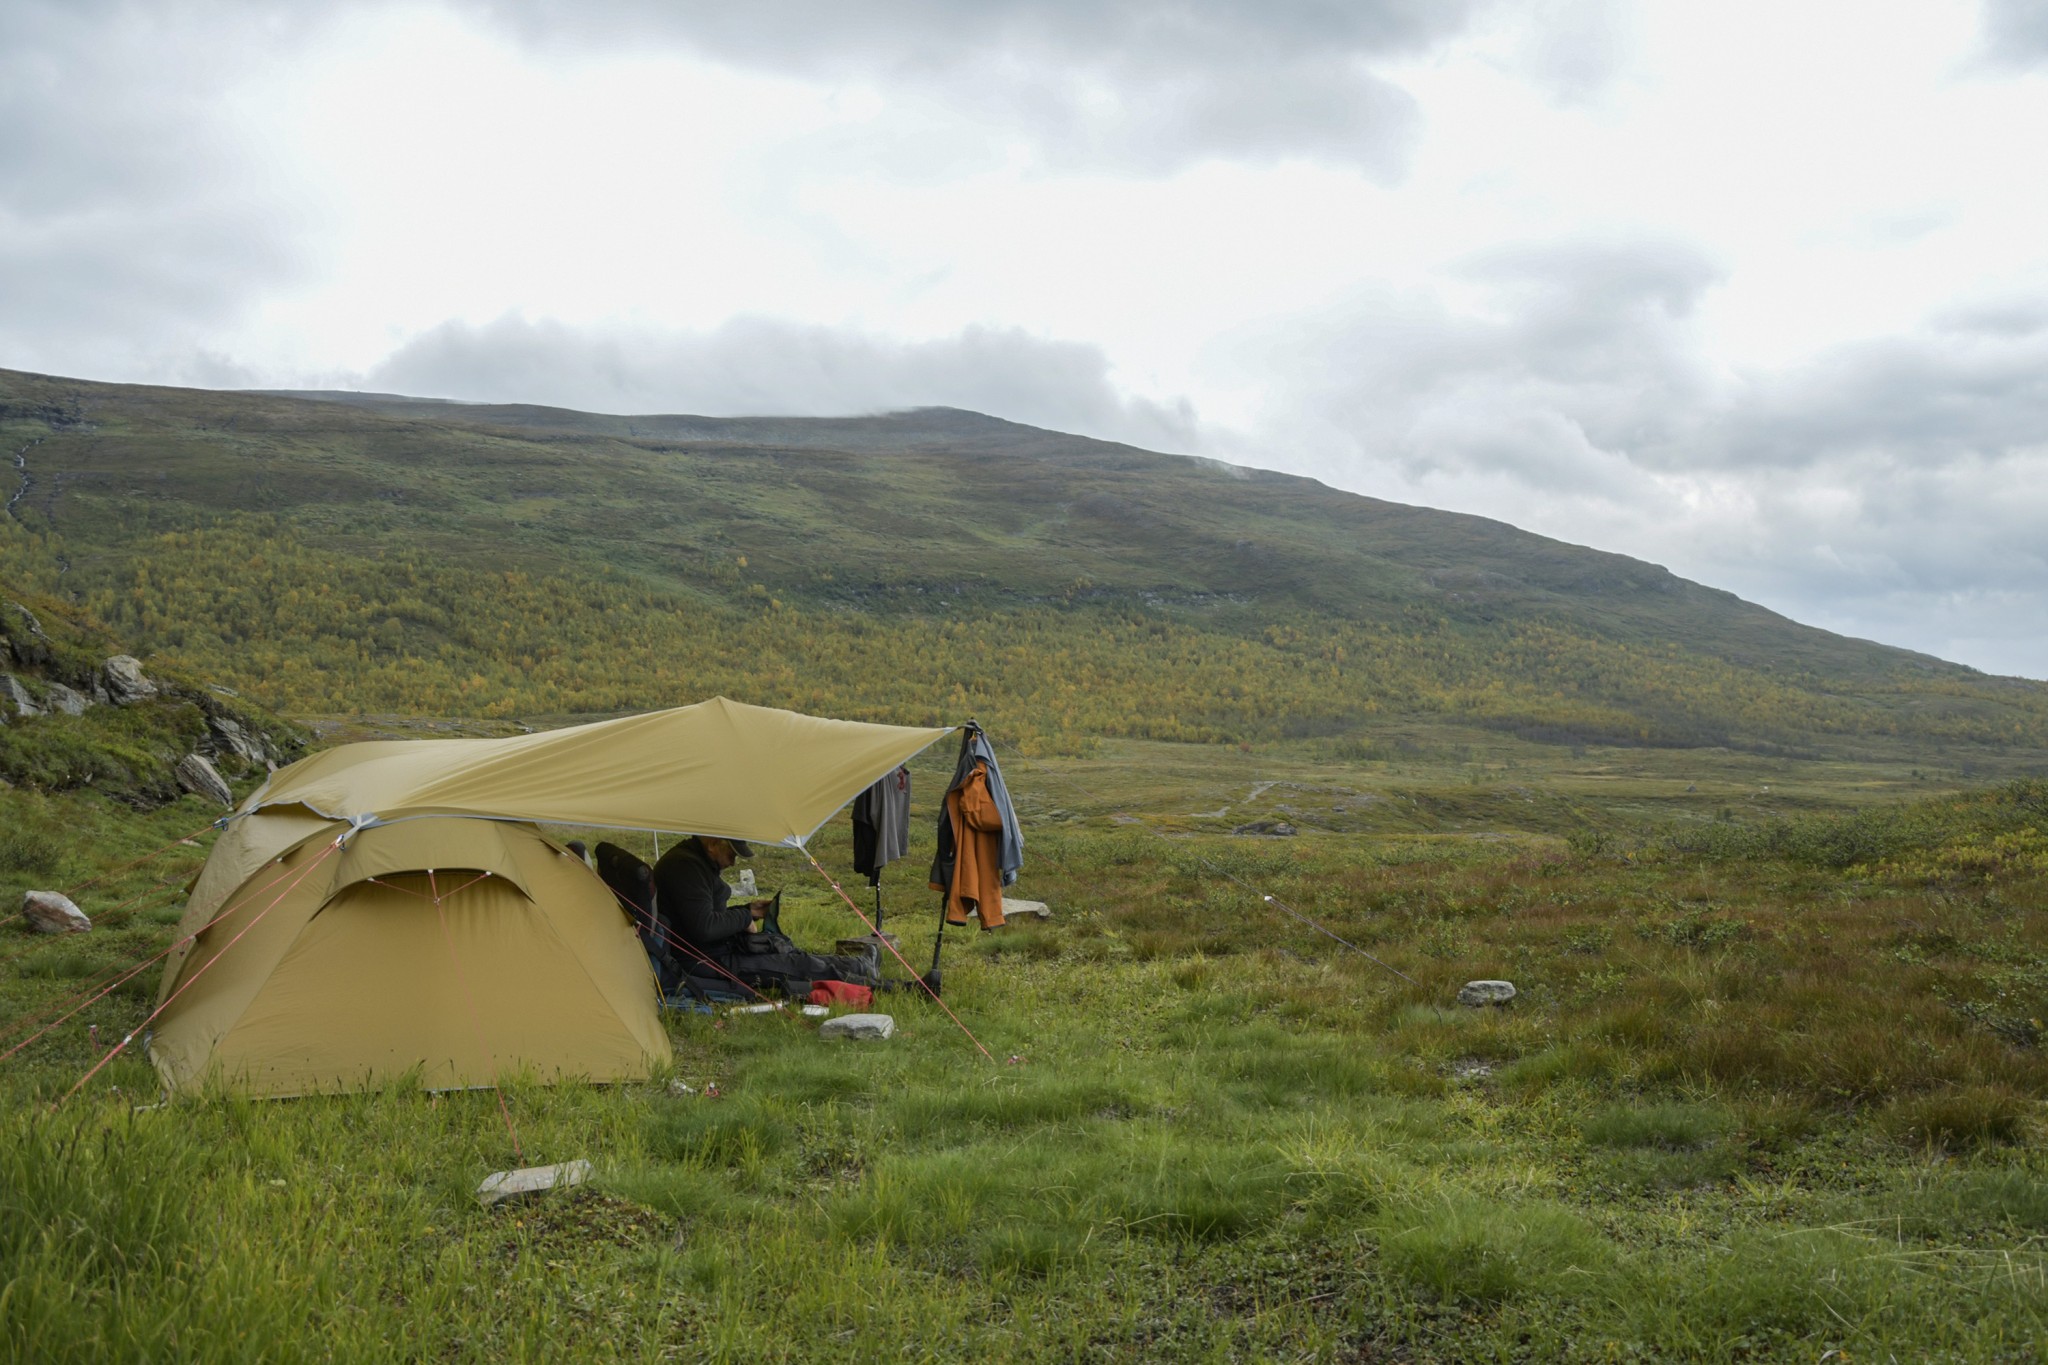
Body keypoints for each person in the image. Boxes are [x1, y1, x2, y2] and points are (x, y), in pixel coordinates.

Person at [652, 835, 880, 994]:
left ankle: (860, 965)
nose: (733, 862)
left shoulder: (693, 861)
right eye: (732, 853)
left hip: (717, 950)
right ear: (713, 843)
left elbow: (702, 917)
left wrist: (746, 911)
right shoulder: (685, 868)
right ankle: (887, 984)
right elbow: (704, 928)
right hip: (706, 961)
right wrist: (745, 917)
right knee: (794, 967)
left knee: (793, 956)